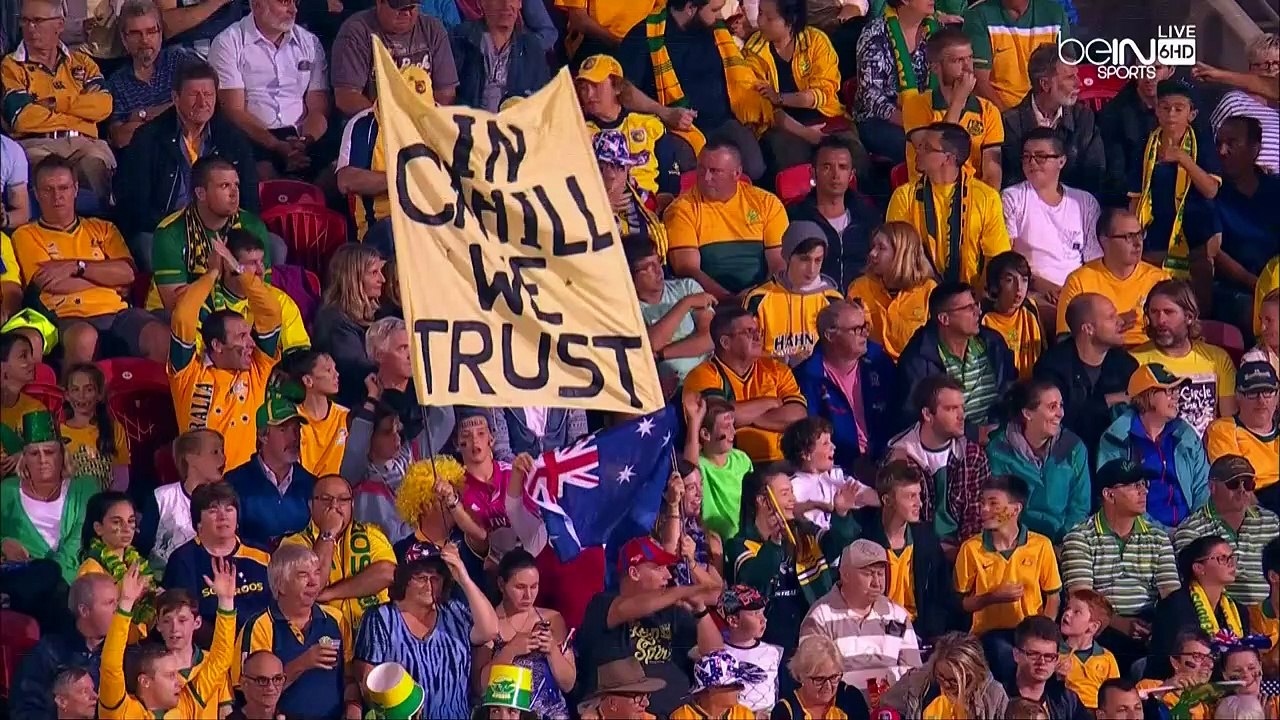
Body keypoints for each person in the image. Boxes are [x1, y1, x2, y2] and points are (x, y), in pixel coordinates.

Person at [14, 155, 167, 366]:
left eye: (64, 188)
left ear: (75, 189)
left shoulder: (104, 228)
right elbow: (52, 283)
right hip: (67, 317)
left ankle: (158, 398)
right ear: (37, 194)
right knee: (83, 338)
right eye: (48, 190)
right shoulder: (26, 234)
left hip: (118, 312)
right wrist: (108, 277)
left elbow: (128, 274)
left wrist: (76, 267)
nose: (57, 196)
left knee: (159, 336)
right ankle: (69, 398)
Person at [617, 0, 774, 182]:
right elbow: (623, 89)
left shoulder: (713, 30)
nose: (718, 17)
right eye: (714, 10)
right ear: (691, 8)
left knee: (755, 168)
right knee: (693, 174)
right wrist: (665, 112)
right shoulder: (644, 36)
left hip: (722, 122)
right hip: (677, 129)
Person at [575, 537, 723, 717]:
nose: (668, 576)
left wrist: (700, 608)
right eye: (659, 567)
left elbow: (715, 654)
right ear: (634, 573)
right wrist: (684, 591)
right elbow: (629, 607)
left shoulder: (672, 611)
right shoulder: (602, 605)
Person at [168, 241, 281, 470]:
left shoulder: (257, 371)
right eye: (241, 337)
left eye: (249, 335)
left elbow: (271, 313)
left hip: (244, 488)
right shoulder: (187, 374)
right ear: (217, 345)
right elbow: (182, 317)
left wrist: (239, 271)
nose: (251, 343)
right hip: (200, 489)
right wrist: (212, 274)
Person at [353, 543, 499, 720]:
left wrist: (464, 578)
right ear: (405, 580)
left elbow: (490, 630)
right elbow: (366, 680)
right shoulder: (381, 618)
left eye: (436, 578)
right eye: (421, 578)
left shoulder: (454, 612)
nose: (429, 585)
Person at [728, 464, 861, 655]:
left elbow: (839, 544)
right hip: (766, 645)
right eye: (785, 493)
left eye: (792, 492)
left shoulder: (805, 534)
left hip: (812, 639)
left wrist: (841, 515)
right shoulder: (739, 545)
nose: (793, 499)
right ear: (763, 501)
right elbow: (755, 580)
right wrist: (774, 543)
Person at [2, 0, 115, 198]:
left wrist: (54, 103)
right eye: (25, 21)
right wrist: (79, 114)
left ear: (59, 25)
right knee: (49, 172)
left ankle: (102, 225)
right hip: (37, 145)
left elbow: (103, 106)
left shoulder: (82, 63)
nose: (30, 28)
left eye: (37, 21)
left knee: (96, 163)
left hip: (84, 144)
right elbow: (21, 118)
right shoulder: (11, 66)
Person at [98, 559, 237, 719]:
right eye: (170, 675)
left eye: (182, 620)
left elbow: (221, 659)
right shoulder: (123, 711)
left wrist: (226, 602)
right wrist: (125, 604)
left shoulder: (187, 704)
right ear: (145, 681)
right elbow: (110, 666)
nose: (179, 681)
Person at [955, 474, 1063, 681]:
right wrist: (992, 597)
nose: (984, 510)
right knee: (1004, 656)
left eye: (993, 504)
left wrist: (1042, 633)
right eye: (982, 503)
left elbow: (1053, 597)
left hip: (1031, 632)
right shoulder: (971, 549)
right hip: (990, 634)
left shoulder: (1041, 545)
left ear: (1015, 509)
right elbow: (962, 604)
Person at [207, 0, 330, 179]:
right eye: (285, 2)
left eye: (295, 2)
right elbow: (233, 111)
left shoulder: (310, 43)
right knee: (264, 174)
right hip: (252, 135)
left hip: (302, 135)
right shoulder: (228, 42)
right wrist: (276, 145)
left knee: (333, 174)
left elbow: (319, 108)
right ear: (257, 5)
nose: (294, 10)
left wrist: (305, 141)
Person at [235, 544, 359, 720]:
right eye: (303, 575)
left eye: (317, 572)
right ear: (281, 586)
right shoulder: (260, 626)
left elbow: (350, 678)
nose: (314, 581)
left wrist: (353, 707)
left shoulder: (336, 619)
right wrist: (303, 662)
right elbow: (251, 694)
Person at [887, 122, 1011, 288]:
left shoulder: (987, 198)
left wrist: (978, 300)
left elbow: (995, 259)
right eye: (920, 145)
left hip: (972, 295)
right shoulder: (904, 196)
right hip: (921, 293)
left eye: (927, 147)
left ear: (948, 158)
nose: (918, 150)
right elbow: (900, 253)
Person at [146, 153, 272, 312]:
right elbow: (175, 306)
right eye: (224, 186)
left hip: (238, 310)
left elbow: (263, 291)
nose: (234, 193)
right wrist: (214, 274)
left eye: (236, 185)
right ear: (201, 193)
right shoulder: (170, 232)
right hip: (175, 315)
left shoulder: (252, 225)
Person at [665, 140, 788, 300]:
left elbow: (779, 263)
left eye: (715, 171)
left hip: (764, 296)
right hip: (712, 303)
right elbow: (688, 269)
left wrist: (758, 296)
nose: (706, 178)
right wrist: (729, 299)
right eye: (701, 169)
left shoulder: (767, 203)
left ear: (737, 174)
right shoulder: (682, 209)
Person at [1001, 127, 1103, 322]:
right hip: (1030, 289)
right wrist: (1040, 285)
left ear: (1061, 161)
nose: (1032, 163)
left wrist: (1074, 290)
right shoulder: (1012, 198)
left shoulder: (1084, 201)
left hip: (1077, 289)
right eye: (1026, 157)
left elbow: (1094, 261)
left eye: (1040, 157)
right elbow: (1007, 261)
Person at [683, 306, 807, 463]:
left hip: (782, 462)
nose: (757, 337)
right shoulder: (703, 374)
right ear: (726, 342)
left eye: (757, 331)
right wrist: (772, 402)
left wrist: (747, 417)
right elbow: (718, 421)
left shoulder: (777, 370)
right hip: (727, 466)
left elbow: (798, 415)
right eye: (749, 332)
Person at [800, 538, 924, 690]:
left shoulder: (898, 616)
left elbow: (914, 675)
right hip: (841, 711)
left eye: (880, 573)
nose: (877, 583)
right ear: (845, 575)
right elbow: (813, 682)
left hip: (890, 710)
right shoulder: (820, 617)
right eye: (869, 574)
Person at [1129, 80, 1221, 283]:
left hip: (1196, 237)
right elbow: (1135, 198)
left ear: (1192, 114)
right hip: (1155, 237)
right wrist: (1133, 235)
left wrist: (1183, 159)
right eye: (1165, 108)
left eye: (1179, 109)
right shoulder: (1145, 146)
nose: (1171, 114)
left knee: (1197, 303)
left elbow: (1211, 190)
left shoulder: (1203, 145)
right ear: (1157, 111)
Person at [1096, 364, 1209, 528]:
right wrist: (1165, 533)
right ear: (1147, 395)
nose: (1177, 396)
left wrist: (1196, 528)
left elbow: (1203, 487)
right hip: (1143, 534)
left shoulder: (1186, 435)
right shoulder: (1116, 440)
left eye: (1177, 390)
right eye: (1169, 391)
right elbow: (1119, 500)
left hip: (1192, 533)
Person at [887, 374, 993, 548]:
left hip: (964, 552)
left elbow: (978, 519)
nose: (961, 416)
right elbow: (898, 524)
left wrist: (963, 555)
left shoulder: (973, 456)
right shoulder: (900, 460)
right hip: (917, 555)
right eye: (951, 409)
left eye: (962, 408)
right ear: (928, 414)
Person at [281, 474, 397, 631]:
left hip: (372, 636)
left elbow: (388, 573)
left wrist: (331, 593)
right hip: (320, 640)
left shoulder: (371, 535)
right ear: (311, 505)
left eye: (343, 500)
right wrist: (328, 533)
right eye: (325, 499)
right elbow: (312, 585)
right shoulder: (293, 544)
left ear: (352, 505)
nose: (334, 505)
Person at [742, 0, 846, 175]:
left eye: (769, 18)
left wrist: (781, 97)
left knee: (849, 153)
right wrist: (806, 133)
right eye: (760, 13)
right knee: (791, 161)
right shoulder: (753, 52)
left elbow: (824, 92)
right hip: (783, 127)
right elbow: (767, 109)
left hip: (824, 116)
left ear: (790, 21)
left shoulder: (816, 41)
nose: (760, 22)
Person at [336, 64, 436, 246]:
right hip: (382, 225)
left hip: (433, 221)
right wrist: (401, 179)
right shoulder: (363, 125)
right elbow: (346, 181)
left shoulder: (440, 125)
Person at [793, 299, 897, 473]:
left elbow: (899, 414)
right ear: (830, 335)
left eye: (865, 327)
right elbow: (811, 436)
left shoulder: (879, 362)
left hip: (886, 459)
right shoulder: (807, 378)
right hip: (836, 469)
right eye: (857, 330)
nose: (864, 334)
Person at [897, 281, 1018, 431]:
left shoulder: (994, 345)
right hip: (949, 443)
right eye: (969, 308)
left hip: (999, 437)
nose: (978, 312)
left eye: (976, 305)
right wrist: (972, 433)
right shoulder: (918, 361)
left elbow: (1010, 394)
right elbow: (914, 419)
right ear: (944, 319)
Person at [1032, 293, 1138, 462]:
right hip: (1064, 461)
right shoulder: (1052, 367)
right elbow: (1055, 423)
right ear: (1088, 328)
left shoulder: (1126, 366)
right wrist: (1106, 402)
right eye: (1111, 317)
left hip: (1114, 461)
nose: (1120, 321)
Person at [1, 410, 99, 586]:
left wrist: (47, 577)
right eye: (34, 454)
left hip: (73, 582)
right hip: (20, 583)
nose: (42, 460)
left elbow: (77, 543)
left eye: (49, 452)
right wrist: (3, 543)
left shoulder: (85, 488)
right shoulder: (7, 491)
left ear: (62, 455)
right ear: (24, 459)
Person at [985, 379, 1090, 543]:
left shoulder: (1074, 447)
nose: (1060, 413)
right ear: (1028, 413)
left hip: (1064, 543)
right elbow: (1000, 507)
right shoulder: (999, 451)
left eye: (1061, 405)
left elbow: (1080, 506)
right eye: (1052, 407)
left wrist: (1065, 543)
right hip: (1018, 544)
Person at [473, 550, 575, 718]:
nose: (528, 595)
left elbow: (568, 684)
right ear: (501, 585)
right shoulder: (490, 624)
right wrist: (510, 650)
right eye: (520, 587)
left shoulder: (552, 619)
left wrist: (552, 651)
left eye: (534, 586)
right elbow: (481, 688)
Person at [1130, 279, 1238, 438]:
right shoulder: (1135, 360)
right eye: (1154, 312)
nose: (1160, 321)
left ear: (1189, 317)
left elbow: (1228, 422)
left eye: (1169, 312)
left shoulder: (1217, 359)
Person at [162, 481, 272, 632]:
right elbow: (185, 622)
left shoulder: (262, 555)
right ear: (198, 522)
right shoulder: (183, 560)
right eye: (213, 511)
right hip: (208, 649)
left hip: (260, 644)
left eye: (229, 509)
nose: (223, 516)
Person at [575, 55, 684, 204]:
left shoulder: (649, 125)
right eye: (583, 88)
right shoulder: (578, 134)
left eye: (595, 86)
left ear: (617, 87)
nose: (588, 95)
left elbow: (670, 180)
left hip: (650, 212)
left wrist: (657, 206)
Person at [901, 27, 1004, 187]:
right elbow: (933, 160)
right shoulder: (916, 105)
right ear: (936, 67)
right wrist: (958, 101)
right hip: (927, 194)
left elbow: (992, 174)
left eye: (969, 58)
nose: (968, 67)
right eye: (957, 61)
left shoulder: (989, 111)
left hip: (973, 198)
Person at [1174, 455, 1280, 608]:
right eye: (1234, 484)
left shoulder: (1271, 521)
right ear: (1212, 487)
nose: (1242, 490)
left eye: (1248, 484)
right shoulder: (1191, 530)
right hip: (1220, 619)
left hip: (1269, 617)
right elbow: (1191, 588)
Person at [1056, 207, 1171, 347]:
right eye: (1128, 237)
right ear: (1104, 241)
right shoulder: (1079, 281)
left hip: (1151, 355)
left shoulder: (1160, 279)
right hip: (1103, 358)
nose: (1138, 243)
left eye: (1140, 234)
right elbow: (1064, 339)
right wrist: (1109, 327)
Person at [1000, 44, 1105, 193]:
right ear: (1045, 84)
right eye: (1070, 78)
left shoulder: (1083, 118)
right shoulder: (1010, 123)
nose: (1078, 83)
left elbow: (1094, 176)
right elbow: (1012, 181)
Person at [7, 573, 113, 719]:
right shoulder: (50, 652)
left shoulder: (119, 653)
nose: (117, 610)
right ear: (84, 610)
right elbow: (25, 708)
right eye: (109, 603)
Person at [330, 0, 458, 116]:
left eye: (412, 6)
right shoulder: (356, 32)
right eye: (400, 7)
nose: (407, 13)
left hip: (424, 124)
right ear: (379, 2)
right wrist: (389, 122)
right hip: (373, 125)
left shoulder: (433, 30)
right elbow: (346, 97)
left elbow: (446, 94)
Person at [1212, 116, 1280, 333]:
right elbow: (1214, 251)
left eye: (1232, 143)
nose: (1222, 151)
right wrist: (1257, 284)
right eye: (1219, 143)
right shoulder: (1212, 192)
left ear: (1255, 149)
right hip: (1235, 288)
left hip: (1276, 280)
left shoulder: (1275, 188)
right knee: (1258, 312)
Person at [785, 136, 879, 290]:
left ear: (851, 175)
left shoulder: (868, 217)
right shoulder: (795, 217)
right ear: (813, 173)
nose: (836, 175)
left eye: (842, 167)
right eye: (827, 167)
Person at [744, 221, 844, 364]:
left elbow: (841, 355)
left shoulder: (834, 301)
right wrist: (784, 360)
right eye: (804, 259)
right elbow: (743, 352)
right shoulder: (759, 298)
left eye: (818, 260)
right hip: (770, 381)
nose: (812, 269)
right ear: (787, 257)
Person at [852, 0, 938, 164]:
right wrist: (914, 122)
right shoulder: (875, 34)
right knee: (923, 148)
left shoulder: (936, 32)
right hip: (879, 120)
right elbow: (871, 98)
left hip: (928, 117)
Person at [1152, 536, 1251, 678]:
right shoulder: (1174, 607)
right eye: (1222, 558)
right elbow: (1172, 661)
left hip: (1229, 684)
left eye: (1232, 558)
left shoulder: (1240, 611)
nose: (1231, 564)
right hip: (1180, 687)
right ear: (1199, 568)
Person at [224, 396, 317, 547]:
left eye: (296, 429)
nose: (294, 437)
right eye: (283, 429)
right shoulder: (235, 483)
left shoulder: (312, 485)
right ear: (263, 436)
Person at [626, 235, 714, 393]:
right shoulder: (629, 308)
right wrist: (686, 304)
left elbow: (709, 338)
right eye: (649, 266)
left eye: (658, 261)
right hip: (670, 389)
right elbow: (650, 343)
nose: (659, 270)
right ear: (630, 275)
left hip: (709, 378)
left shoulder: (687, 287)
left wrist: (661, 354)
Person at [846, 221, 937, 361]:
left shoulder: (929, 290)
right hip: (873, 371)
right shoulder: (858, 288)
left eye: (881, 248)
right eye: (873, 246)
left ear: (902, 254)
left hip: (916, 373)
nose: (872, 253)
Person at [104, 1, 187, 149]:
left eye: (151, 31)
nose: (144, 40)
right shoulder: (116, 83)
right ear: (124, 39)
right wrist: (173, 109)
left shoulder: (179, 61)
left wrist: (143, 115)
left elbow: (194, 109)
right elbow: (121, 138)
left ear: (160, 33)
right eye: (136, 33)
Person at [963, 0, 1070, 112]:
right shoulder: (978, 15)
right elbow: (979, 82)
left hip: (1047, 112)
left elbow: (1068, 72)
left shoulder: (1056, 14)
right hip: (999, 114)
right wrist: (1010, 119)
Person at [314, 244, 387, 407]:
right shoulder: (334, 322)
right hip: (352, 406)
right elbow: (359, 372)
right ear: (354, 279)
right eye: (374, 273)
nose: (382, 279)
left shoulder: (375, 314)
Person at [146, 588, 236, 717]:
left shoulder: (211, 660)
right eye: (167, 621)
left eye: (182, 620)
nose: (174, 628)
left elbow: (225, 711)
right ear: (158, 625)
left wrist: (226, 601)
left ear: (197, 622)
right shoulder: (152, 669)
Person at [881, 631, 1010, 718]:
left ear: (971, 674)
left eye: (953, 680)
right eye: (941, 676)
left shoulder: (993, 695)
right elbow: (886, 708)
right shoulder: (917, 681)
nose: (945, 684)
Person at [77, 492, 156, 634]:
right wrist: (129, 598)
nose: (126, 529)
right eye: (117, 522)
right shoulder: (91, 570)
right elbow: (96, 625)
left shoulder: (135, 563)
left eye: (131, 521)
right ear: (98, 528)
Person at [451, 0, 551, 111]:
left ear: (520, 4)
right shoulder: (460, 39)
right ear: (481, 3)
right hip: (469, 124)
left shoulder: (532, 48)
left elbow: (543, 102)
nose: (507, 5)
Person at [147, 429, 225, 570]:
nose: (223, 458)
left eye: (222, 451)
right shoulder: (162, 498)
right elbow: (142, 549)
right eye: (215, 452)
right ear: (190, 458)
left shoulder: (228, 500)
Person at [782, 416, 879, 530]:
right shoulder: (793, 485)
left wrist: (889, 500)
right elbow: (788, 511)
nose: (833, 446)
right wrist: (815, 505)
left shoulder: (837, 475)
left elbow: (869, 495)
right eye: (825, 443)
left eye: (831, 441)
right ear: (805, 454)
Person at [1207, 362, 1280, 512]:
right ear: (1238, 396)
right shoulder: (1224, 430)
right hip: (1257, 502)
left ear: (1277, 395)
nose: (1261, 401)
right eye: (1252, 393)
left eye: (1267, 392)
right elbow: (1236, 485)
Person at [1099, 63, 1175, 204]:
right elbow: (1116, 177)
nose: (1149, 75)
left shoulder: (1184, 106)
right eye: (1142, 69)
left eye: (1156, 68)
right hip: (1131, 199)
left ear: (1171, 70)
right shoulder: (1114, 114)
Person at [683, 395, 754, 540]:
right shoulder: (701, 464)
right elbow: (689, 470)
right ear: (705, 434)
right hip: (713, 544)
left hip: (745, 541)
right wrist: (694, 422)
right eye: (726, 427)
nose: (733, 432)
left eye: (733, 425)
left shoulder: (742, 459)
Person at [1209, 34, 1280, 174]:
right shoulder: (1234, 102)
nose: (1271, 69)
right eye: (1264, 64)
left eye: (1277, 63)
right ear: (1250, 69)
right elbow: (1212, 146)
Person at [594, 131, 670, 261]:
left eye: (621, 167)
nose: (612, 175)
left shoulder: (638, 194)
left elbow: (656, 210)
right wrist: (602, 210)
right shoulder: (581, 199)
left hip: (655, 267)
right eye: (602, 167)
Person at [60, 363, 130, 490]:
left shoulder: (113, 429)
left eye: (88, 389)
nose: (81, 396)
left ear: (99, 394)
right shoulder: (57, 432)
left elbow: (122, 480)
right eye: (75, 390)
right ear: (67, 395)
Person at [769, 634, 871, 720]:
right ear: (802, 676)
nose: (828, 686)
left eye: (833, 677)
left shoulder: (851, 699)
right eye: (819, 679)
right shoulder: (785, 711)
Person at [1003, 617, 1089, 718]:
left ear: (1056, 659)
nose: (1042, 662)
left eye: (1049, 656)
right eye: (1034, 654)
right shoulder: (1000, 697)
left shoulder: (1067, 700)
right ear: (1016, 654)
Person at [717, 585, 783, 715]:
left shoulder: (773, 652)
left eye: (763, 612)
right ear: (733, 620)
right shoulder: (719, 654)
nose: (763, 619)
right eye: (755, 614)